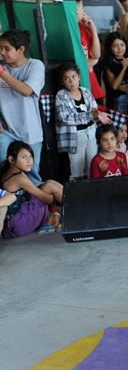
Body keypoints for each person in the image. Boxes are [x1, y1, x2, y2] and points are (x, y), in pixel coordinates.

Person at [0, 29, 46, 185]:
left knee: (31, 174)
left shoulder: (35, 65)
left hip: (29, 131)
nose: (2, 53)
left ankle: (35, 200)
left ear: (21, 49)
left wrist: (2, 73)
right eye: (1, 48)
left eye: (7, 48)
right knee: (4, 169)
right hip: (6, 130)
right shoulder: (2, 67)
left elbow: (26, 90)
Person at [1, 142, 64, 237]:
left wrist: (54, 211)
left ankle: (78, 206)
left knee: (48, 185)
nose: (29, 160)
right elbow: (47, 199)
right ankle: (79, 208)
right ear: (11, 159)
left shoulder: (9, 172)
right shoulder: (19, 179)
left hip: (14, 223)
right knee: (50, 186)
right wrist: (52, 194)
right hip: (20, 223)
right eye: (23, 157)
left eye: (30, 156)